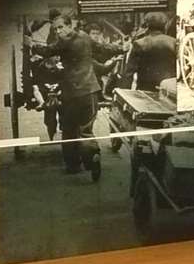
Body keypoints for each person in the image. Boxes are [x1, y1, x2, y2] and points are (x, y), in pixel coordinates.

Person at [46, 12, 109, 177]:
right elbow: (103, 48)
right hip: (90, 91)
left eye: (60, 27)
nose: (58, 31)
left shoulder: (64, 42)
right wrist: (121, 48)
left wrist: (31, 44)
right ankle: (92, 157)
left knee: (68, 129)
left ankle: (73, 165)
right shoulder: (85, 36)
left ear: (69, 25)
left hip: (71, 94)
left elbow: (47, 50)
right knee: (86, 129)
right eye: (55, 29)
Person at [122, 13, 177, 93]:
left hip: (145, 91)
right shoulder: (173, 42)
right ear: (165, 25)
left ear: (147, 25)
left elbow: (129, 73)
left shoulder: (139, 43)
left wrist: (125, 92)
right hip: (168, 92)